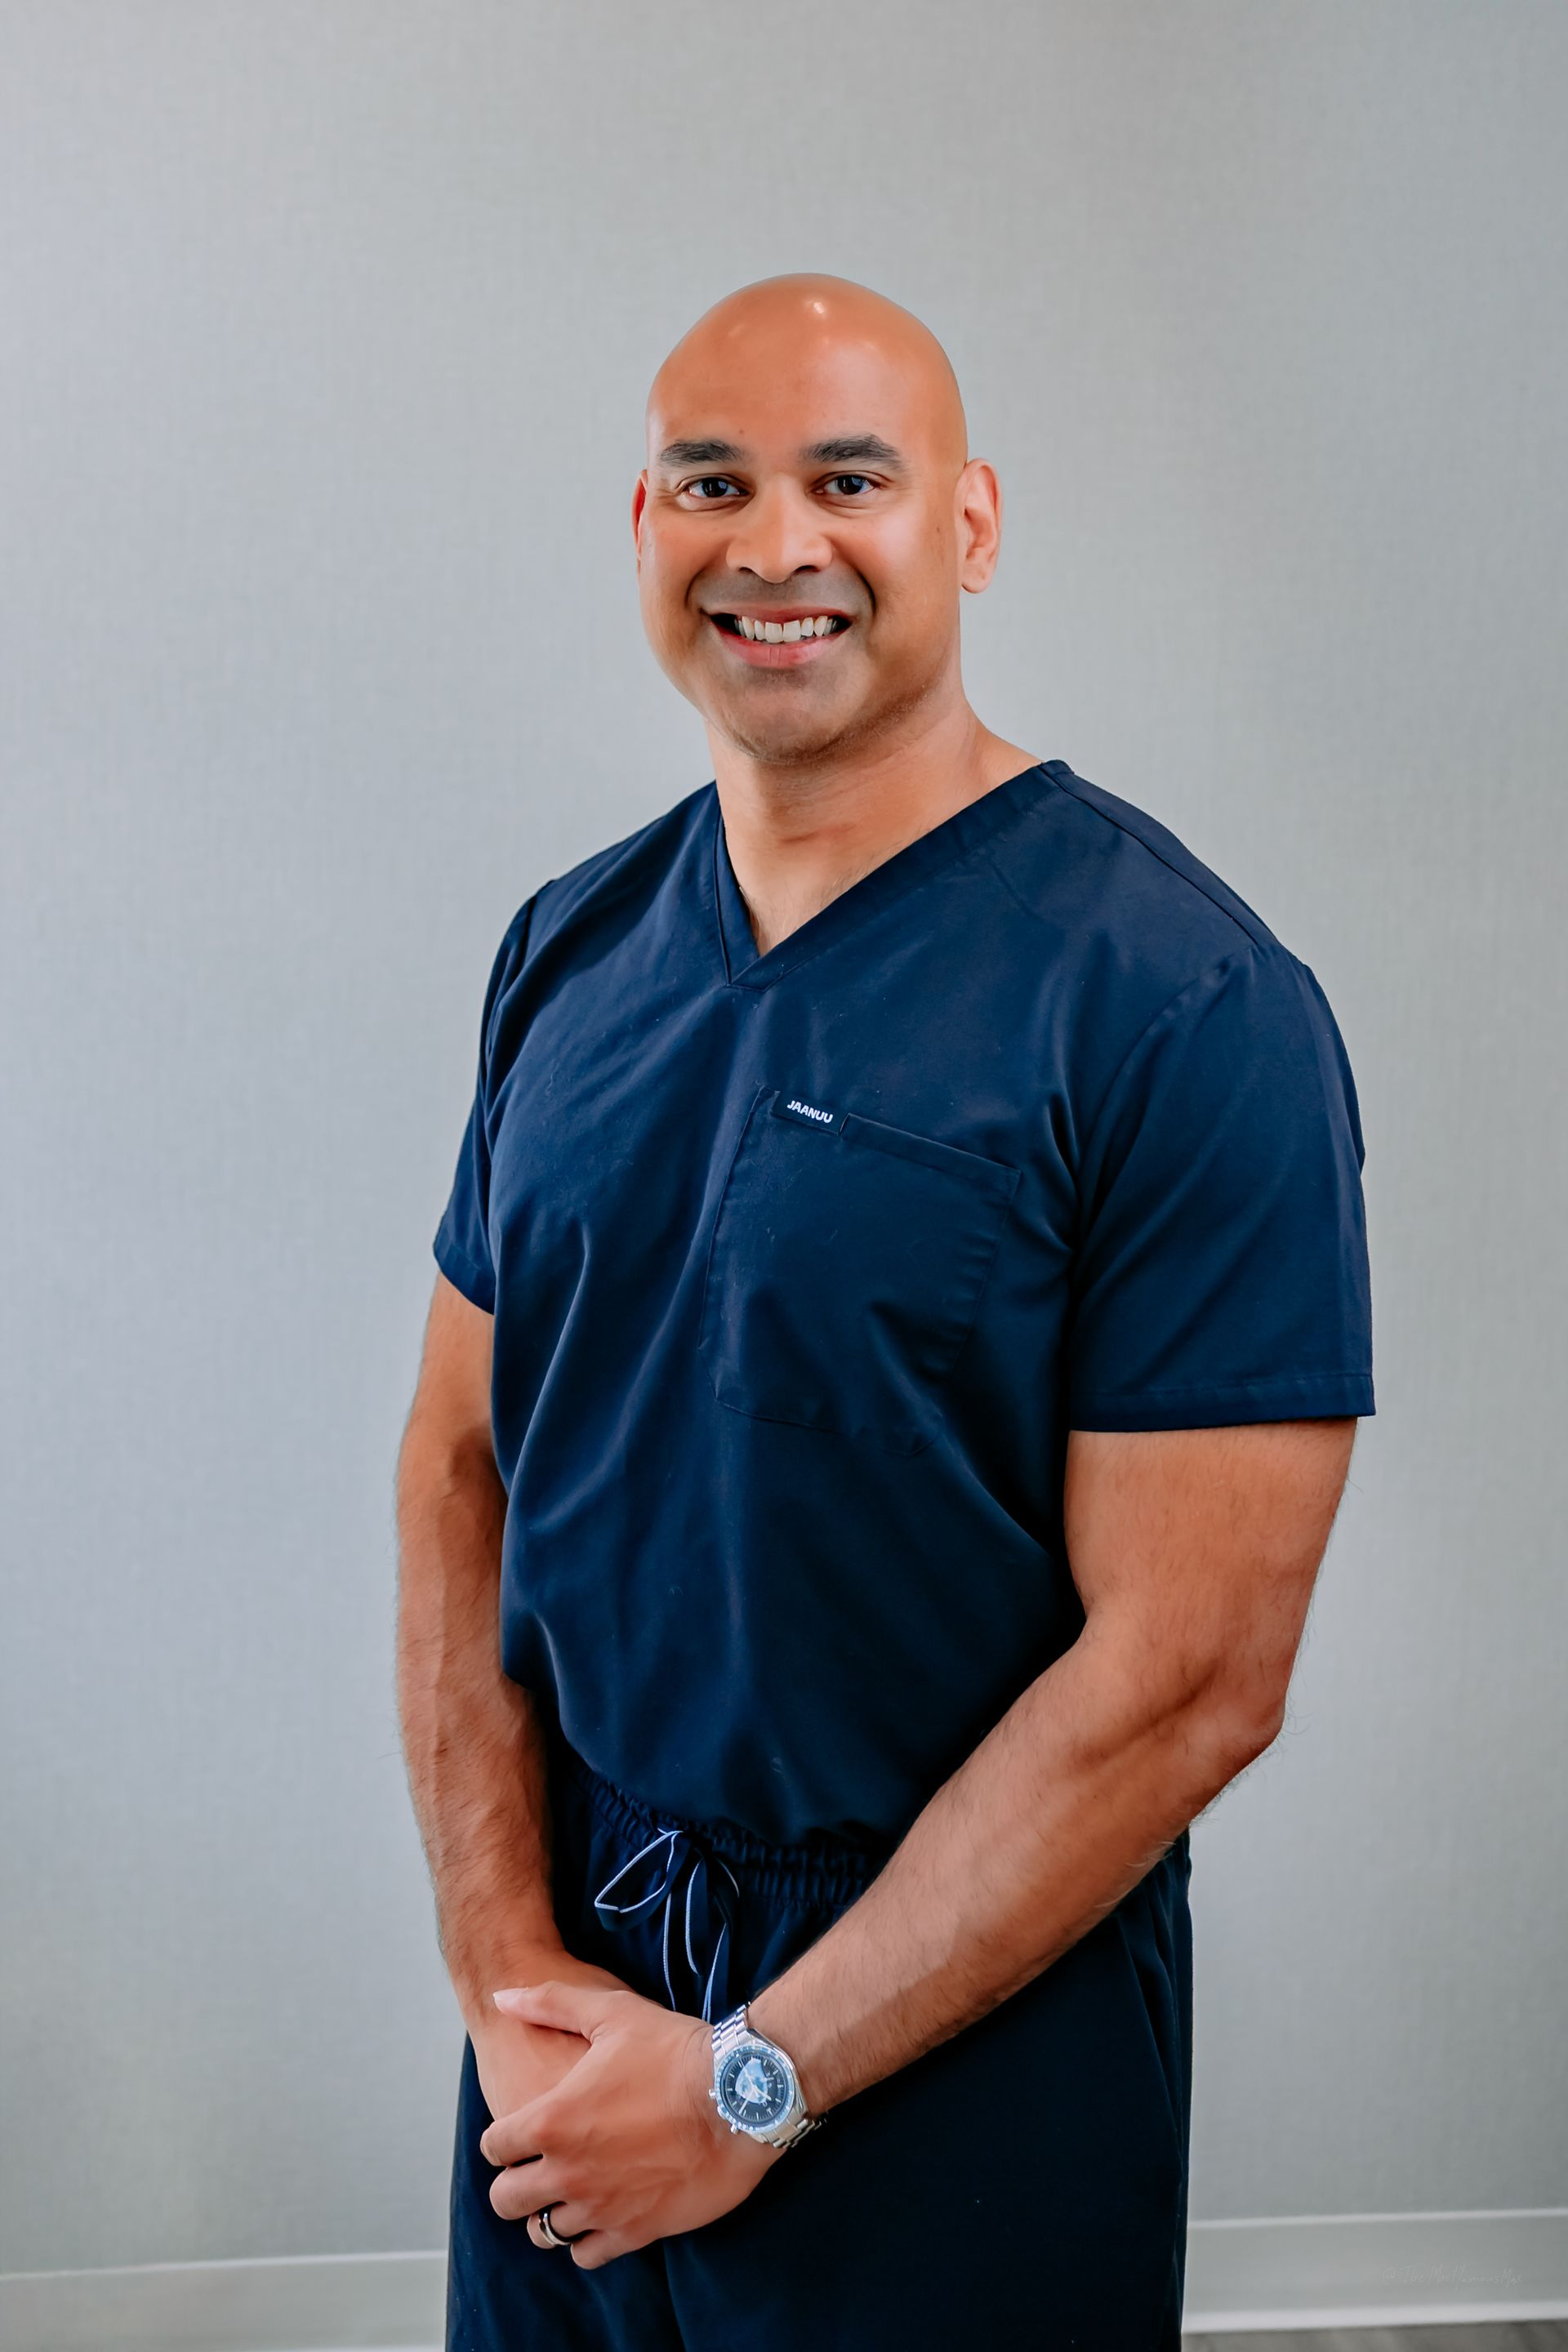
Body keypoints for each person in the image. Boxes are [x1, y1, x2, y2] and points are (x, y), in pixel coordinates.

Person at [395, 272, 1374, 2351]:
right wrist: (507, 1986)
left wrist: (761, 2077)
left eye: (851, 479)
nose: (775, 546)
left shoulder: (1179, 1006)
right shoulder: (571, 953)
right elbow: (459, 1467)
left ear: (973, 524)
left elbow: (1198, 1671)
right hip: (576, 2030)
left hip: (945, 2046)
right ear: (641, 528)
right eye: (710, 484)